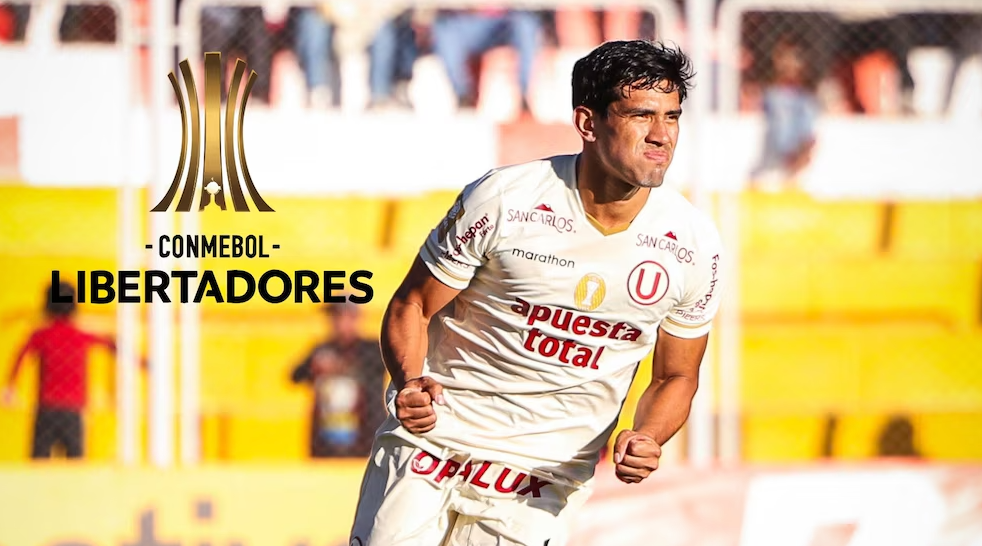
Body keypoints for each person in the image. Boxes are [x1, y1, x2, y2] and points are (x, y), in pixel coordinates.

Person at [348, 40, 723, 546]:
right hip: (433, 444)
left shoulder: (694, 244)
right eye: (641, 115)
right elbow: (412, 303)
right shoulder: (505, 198)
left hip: (543, 479)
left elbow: (676, 375)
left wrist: (648, 435)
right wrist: (410, 381)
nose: (662, 135)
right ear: (588, 123)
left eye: (672, 117)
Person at [2, 282, 117, 459]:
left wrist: (11, 386)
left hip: (47, 408)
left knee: (40, 458)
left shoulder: (41, 335)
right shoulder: (80, 336)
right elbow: (111, 346)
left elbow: (20, 358)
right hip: (73, 410)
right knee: (76, 459)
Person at [291, 300, 386, 458]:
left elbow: (379, 368)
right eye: (334, 317)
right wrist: (314, 368)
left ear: (355, 317)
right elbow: (295, 376)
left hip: (366, 435)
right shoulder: (323, 349)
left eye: (342, 316)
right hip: (326, 439)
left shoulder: (372, 348)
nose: (338, 322)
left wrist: (340, 366)